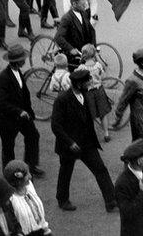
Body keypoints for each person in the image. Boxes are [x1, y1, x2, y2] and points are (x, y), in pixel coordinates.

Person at [51, 70, 116, 212]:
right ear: (79, 84)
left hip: (87, 143)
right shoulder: (62, 100)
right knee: (66, 172)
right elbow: (55, 126)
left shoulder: (84, 95)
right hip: (70, 145)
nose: (90, 84)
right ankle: (62, 200)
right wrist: (70, 143)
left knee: (100, 169)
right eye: (87, 82)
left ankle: (111, 201)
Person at [0, 44, 43, 176]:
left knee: (33, 136)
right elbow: (1, 103)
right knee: (8, 148)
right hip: (8, 119)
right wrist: (19, 111)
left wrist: (29, 112)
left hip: (22, 116)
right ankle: (10, 174)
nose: (25, 60)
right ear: (17, 61)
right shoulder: (3, 78)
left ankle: (30, 166)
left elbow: (23, 95)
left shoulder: (18, 72)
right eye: (23, 58)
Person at [4, 160, 51, 235]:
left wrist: (46, 230)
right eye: (27, 174)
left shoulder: (29, 186)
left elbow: (39, 213)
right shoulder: (10, 199)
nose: (30, 176)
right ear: (18, 181)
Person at [78, 45, 113, 142]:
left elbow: (78, 77)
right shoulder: (98, 65)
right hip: (99, 90)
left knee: (90, 114)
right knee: (103, 113)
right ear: (94, 54)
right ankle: (106, 133)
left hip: (88, 93)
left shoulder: (82, 67)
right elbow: (103, 74)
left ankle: (91, 136)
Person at [54, 0, 96, 68]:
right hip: (74, 53)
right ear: (74, 4)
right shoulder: (67, 18)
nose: (85, 6)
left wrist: (93, 45)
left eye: (85, 4)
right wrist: (71, 49)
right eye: (82, 4)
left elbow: (91, 30)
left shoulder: (84, 13)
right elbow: (58, 37)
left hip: (83, 50)